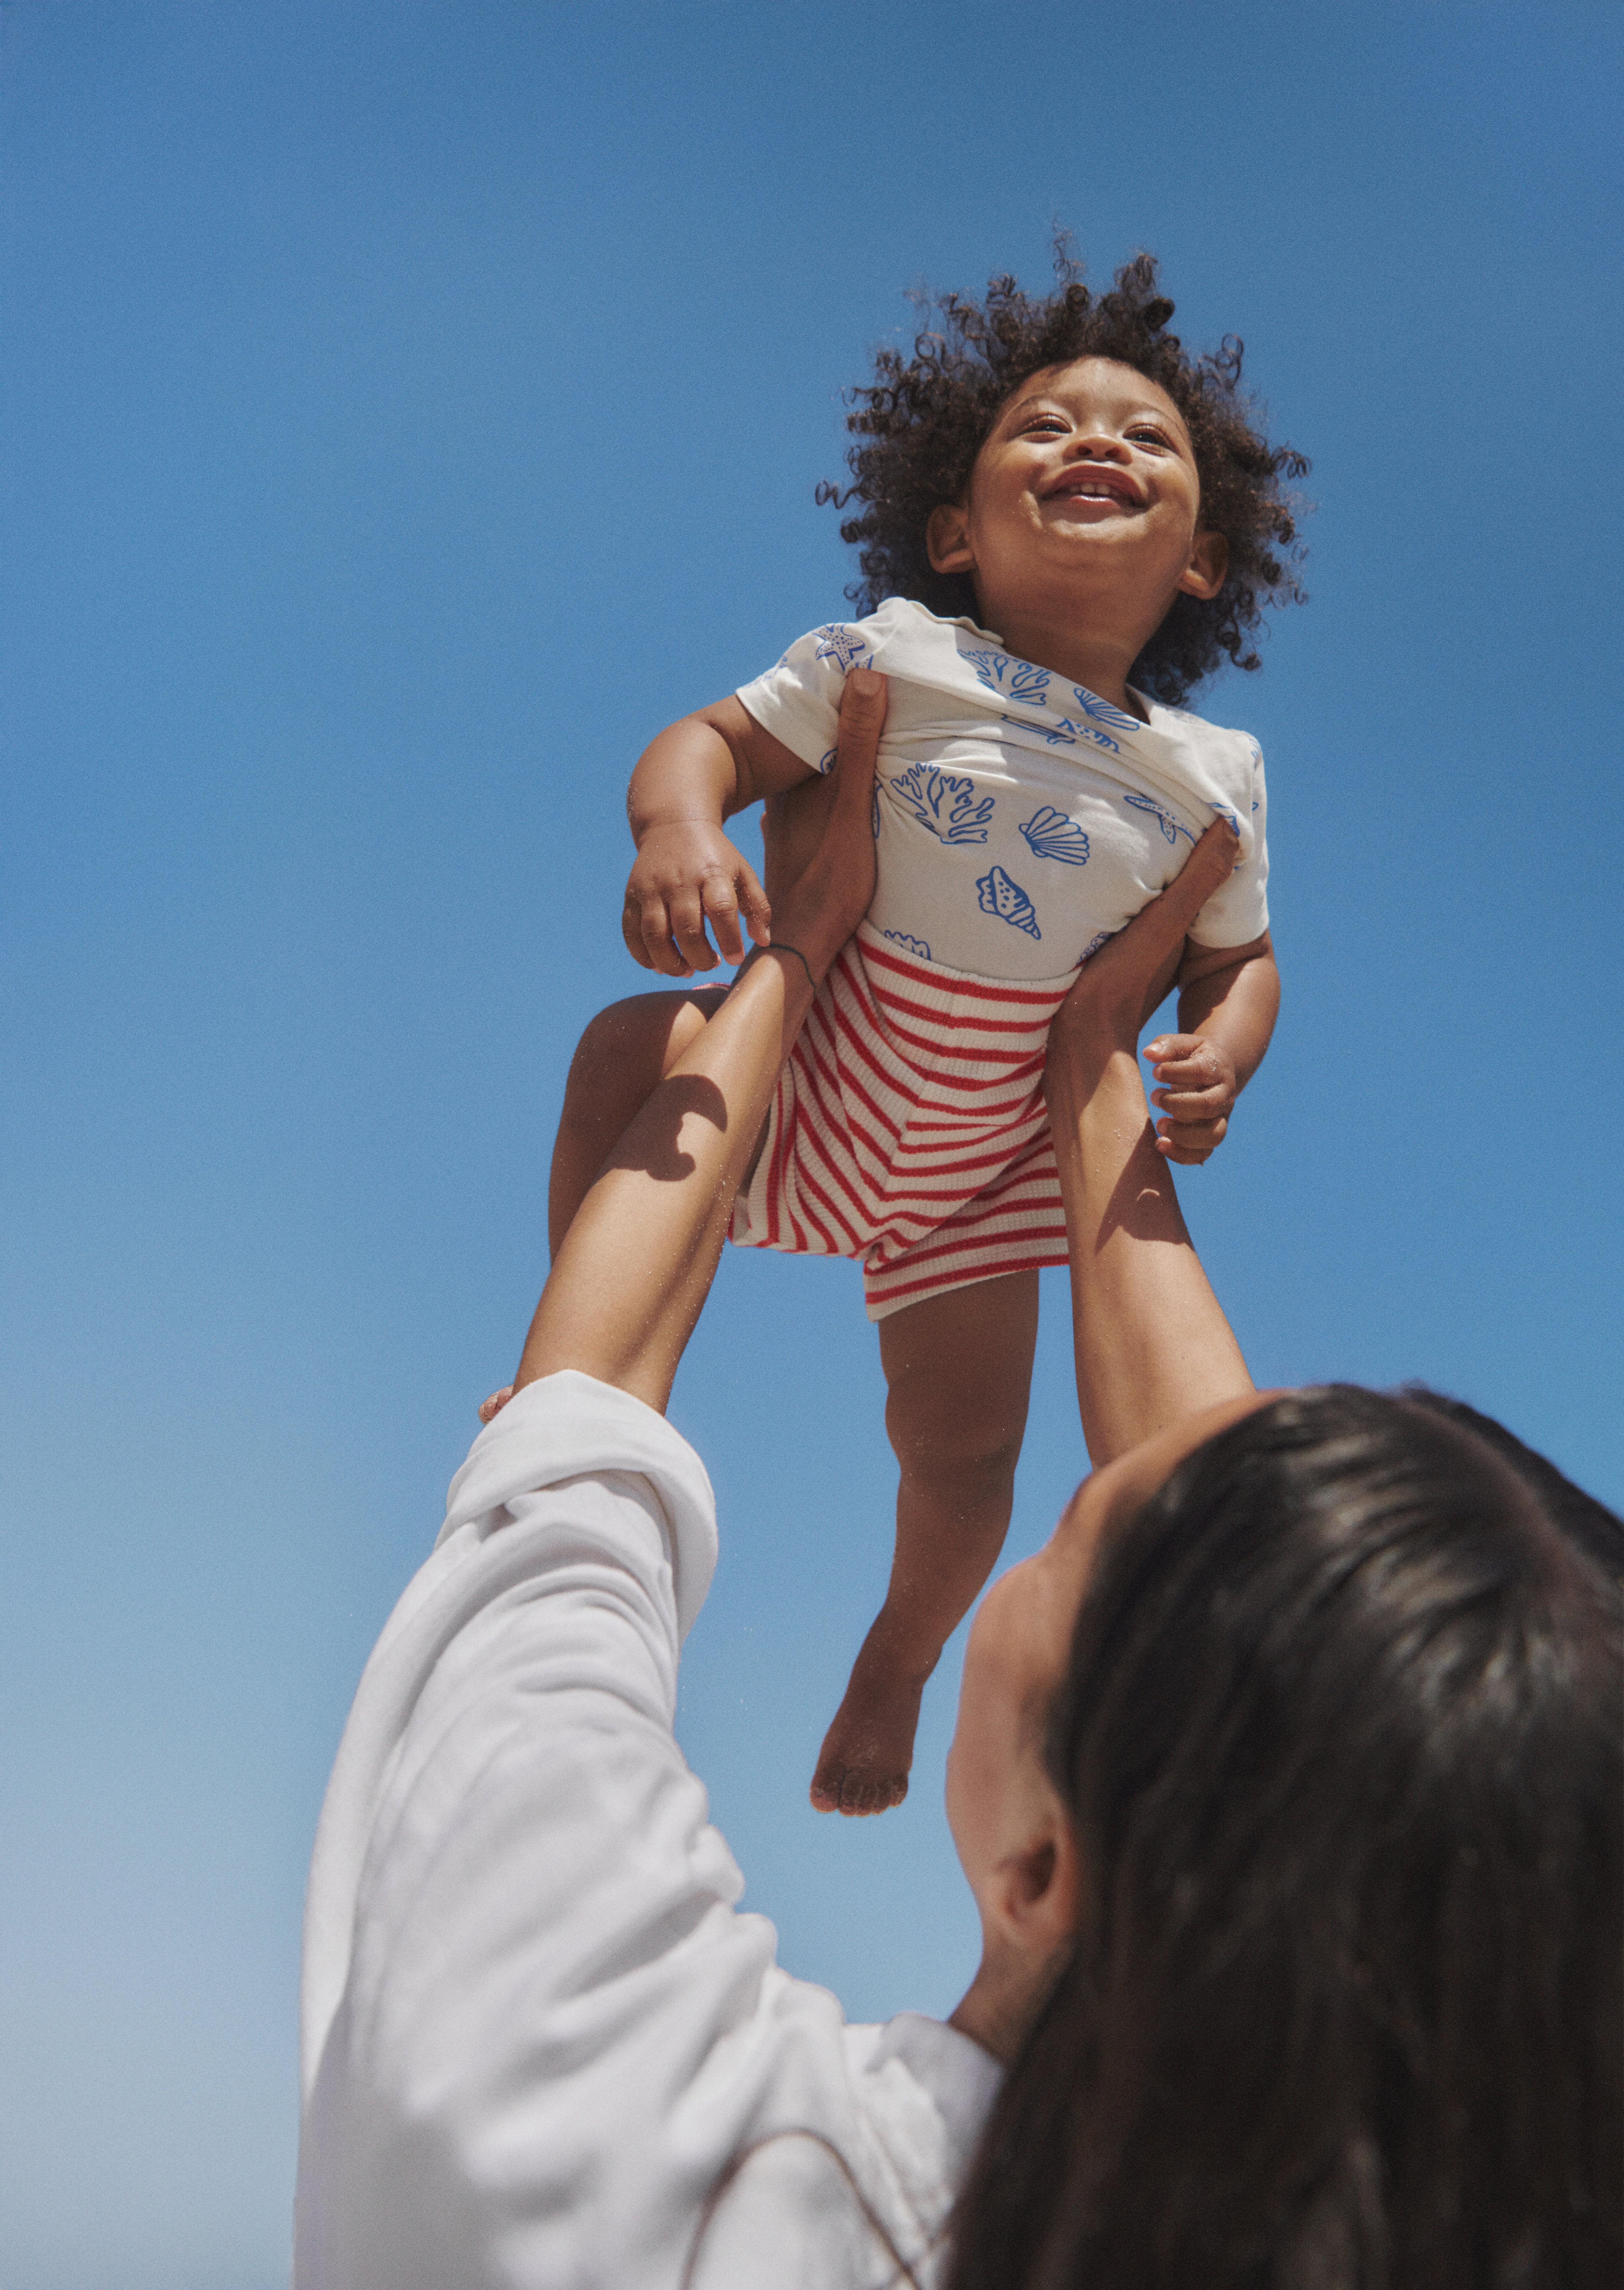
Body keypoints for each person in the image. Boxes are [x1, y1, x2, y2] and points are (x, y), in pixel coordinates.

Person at [295, 678, 1622, 2289]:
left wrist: (803, 944)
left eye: (1075, 1540)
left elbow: (579, 1429)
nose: (1123, 1478)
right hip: (979, 1086)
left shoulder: (647, 2131)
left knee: (951, 1444)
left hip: (827, 1030)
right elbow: (1224, 1543)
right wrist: (1086, 1051)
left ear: (1049, 1869)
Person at [547, 250, 1307, 1815]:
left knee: (966, 1473)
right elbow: (708, 740)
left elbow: (1244, 959)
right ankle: (594, 1389)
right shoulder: (886, 655)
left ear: (1204, 566)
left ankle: (897, 1660)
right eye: (1046, 426)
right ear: (956, 530)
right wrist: (675, 832)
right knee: (630, 1050)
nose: (1098, 441)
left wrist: (1225, 1051)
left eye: (1146, 440)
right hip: (816, 1077)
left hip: (986, 1168)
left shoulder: (1214, 771)